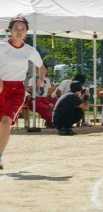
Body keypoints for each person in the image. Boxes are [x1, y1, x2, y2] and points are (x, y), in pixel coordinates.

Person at [0, 15, 46, 170]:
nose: (19, 32)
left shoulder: (29, 50)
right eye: (16, 28)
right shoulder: (2, 46)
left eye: (22, 29)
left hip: (17, 90)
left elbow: (41, 66)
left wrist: (41, 79)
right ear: (10, 30)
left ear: (26, 31)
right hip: (0, 87)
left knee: (6, 122)